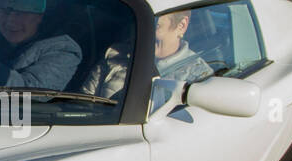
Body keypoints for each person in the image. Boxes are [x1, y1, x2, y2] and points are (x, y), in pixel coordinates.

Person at [79, 9, 212, 100]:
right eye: (140, 24)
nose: (142, 33)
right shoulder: (115, 55)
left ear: (182, 25)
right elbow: (84, 102)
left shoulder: (199, 76)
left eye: (155, 26)